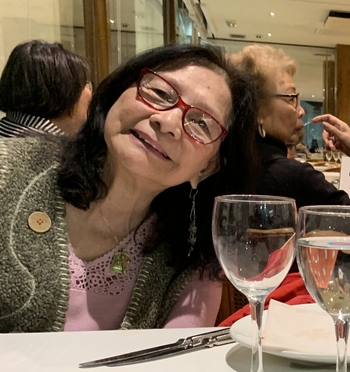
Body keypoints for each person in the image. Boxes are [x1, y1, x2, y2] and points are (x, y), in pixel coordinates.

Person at [0, 44, 260, 332]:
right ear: (118, 94)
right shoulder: (8, 169)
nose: (168, 121)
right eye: (160, 93)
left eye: (201, 122)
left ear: (208, 166)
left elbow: (172, 363)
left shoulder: (192, 254)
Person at [228, 45, 350, 209]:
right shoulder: (292, 176)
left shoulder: (220, 164)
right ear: (256, 111)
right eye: (291, 98)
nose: (301, 110)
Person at [0, 40, 92, 138]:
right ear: (63, 92)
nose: (90, 92)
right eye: (85, 84)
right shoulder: (49, 150)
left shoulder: (6, 132)